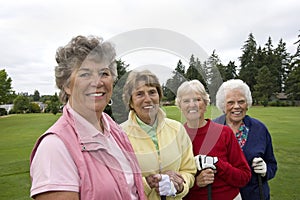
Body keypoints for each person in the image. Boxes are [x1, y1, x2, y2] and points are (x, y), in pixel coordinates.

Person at [29, 35, 145, 200]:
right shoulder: (54, 148)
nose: (97, 82)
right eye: (85, 74)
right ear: (67, 85)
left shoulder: (114, 130)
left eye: (104, 73)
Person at [121, 69, 196, 200]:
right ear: (131, 102)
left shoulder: (177, 129)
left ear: (159, 96)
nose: (148, 99)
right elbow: (117, 183)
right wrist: (147, 183)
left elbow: (189, 171)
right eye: (139, 94)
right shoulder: (119, 135)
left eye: (152, 92)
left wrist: (180, 185)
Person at [175, 80, 251, 200]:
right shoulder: (176, 137)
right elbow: (174, 184)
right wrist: (196, 183)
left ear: (205, 104)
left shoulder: (224, 133)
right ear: (180, 106)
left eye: (197, 99)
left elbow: (244, 176)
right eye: (186, 101)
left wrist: (216, 163)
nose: (192, 104)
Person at [214, 79, 277, 200]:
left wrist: (265, 171)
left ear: (247, 104)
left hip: (255, 195)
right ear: (223, 105)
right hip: (222, 195)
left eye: (241, 102)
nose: (236, 107)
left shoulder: (260, 129)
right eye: (230, 102)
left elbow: (272, 164)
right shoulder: (213, 129)